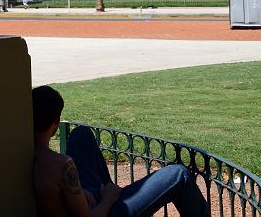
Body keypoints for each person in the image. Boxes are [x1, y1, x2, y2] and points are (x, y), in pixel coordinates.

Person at [32, 85, 207, 217]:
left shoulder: (24, 154)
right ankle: (111, 193)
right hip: (103, 212)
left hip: (81, 203)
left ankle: (105, 190)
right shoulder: (62, 165)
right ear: (56, 123)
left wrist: (82, 192)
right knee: (179, 175)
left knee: (81, 134)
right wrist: (109, 197)